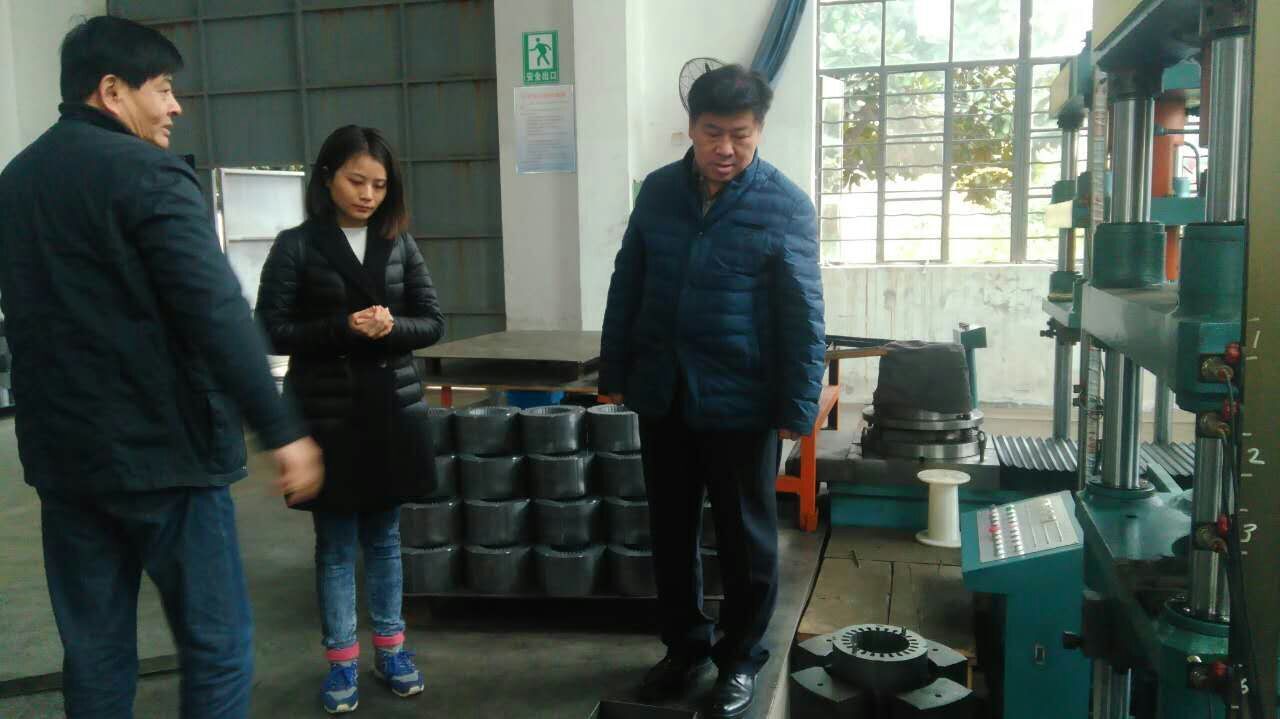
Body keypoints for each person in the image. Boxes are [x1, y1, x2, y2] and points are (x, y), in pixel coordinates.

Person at [0, 16, 324, 719]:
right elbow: (216, 310)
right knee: (218, 646)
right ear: (112, 90)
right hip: (166, 458)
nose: (175, 107)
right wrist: (281, 428)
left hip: (65, 462)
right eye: (164, 89)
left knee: (95, 652)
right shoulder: (147, 174)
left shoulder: (15, 181)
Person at [599, 64, 826, 718]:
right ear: (692, 129)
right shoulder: (659, 192)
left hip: (741, 399)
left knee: (745, 539)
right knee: (670, 533)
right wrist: (615, 372)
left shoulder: (785, 204)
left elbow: (804, 311)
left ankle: (739, 660)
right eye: (712, 132)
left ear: (759, 131)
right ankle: (684, 649)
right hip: (665, 393)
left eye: (740, 134)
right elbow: (628, 280)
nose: (725, 148)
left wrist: (797, 402)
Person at [256, 125, 445, 714]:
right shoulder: (296, 245)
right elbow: (271, 329)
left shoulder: (399, 242)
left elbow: (432, 321)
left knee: (385, 540)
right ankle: (341, 660)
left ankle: (392, 650)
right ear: (327, 178)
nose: (368, 195)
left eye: (379, 185)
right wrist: (342, 328)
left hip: (391, 409)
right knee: (336, 546)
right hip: (329, 416)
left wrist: (391, 328)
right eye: (356, 181)